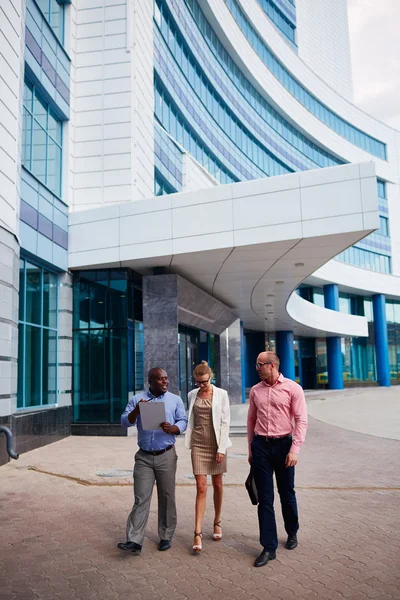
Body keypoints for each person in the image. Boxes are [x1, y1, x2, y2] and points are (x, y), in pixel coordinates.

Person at [117, 367, 188, 555]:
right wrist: (137, 411)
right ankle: (134, 540)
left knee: (167, 497)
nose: (165, 382)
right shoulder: (137, 400)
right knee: (141, 498)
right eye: (160, 379)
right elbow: (125, 421)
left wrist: (174, 428)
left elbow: (184, 421)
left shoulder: (175, 400)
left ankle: (165, 536)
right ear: (150, 381)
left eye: (166, 378)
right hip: (144, 457)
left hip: (166, 455)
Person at [247, 351, 308, 568]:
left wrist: (295, 449)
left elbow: (301, 420)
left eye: (259, 365)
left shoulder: (293, 388)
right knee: (265, 499)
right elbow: (251, 419)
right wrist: (251, 450)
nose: (257, 368)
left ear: (272, 365)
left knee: (286, 493)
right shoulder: (255, 391)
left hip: (284, 446)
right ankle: (268, 547)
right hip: (261, 446)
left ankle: (292, 531)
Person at [185, 361, 232, 553]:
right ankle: (197, 533)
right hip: (198, 444)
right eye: (197, 382)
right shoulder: (191, 395)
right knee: (201, 487)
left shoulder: (221, 394)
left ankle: (217, 521)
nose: (200, 385)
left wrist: (221, 448)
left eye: (203, 382)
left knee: (218, 484)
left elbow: (225, 422)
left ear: (210, 378)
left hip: (216, 445)